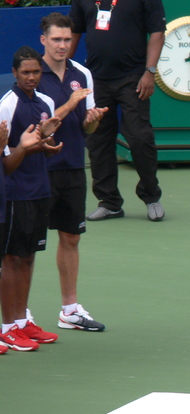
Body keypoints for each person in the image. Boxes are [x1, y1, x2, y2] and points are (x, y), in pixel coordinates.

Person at [38, 13, 108, 332]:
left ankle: (69, 310)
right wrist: (69, 103)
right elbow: (38, 127)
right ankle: (17, 317)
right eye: (56, 39)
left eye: (67, 39)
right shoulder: (31, 75)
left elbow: (87, 128)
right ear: (44, 40)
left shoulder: (83, 74)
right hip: (36, 172)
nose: (63, 45)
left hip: (72, 169)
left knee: (71, 237)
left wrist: (93, 117)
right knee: (22, 248)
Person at [68, 0, 166, 222]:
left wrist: (150, 72)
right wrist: (65, 71)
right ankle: (109, 202)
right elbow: (73, 32)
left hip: (134, 78)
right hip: (95, 79)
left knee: (140, 137)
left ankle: (151, 196)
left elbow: (157, 34)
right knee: (98, 140)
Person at [0, 46, 63, 352]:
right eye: (25, 72)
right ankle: (8, 326)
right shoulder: (6, 106)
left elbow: (32, 146)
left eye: (36, 72)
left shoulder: (47, 102)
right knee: (11, 258)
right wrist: (26, 146)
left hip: (40, 190)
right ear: (14, 73)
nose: (31, 77)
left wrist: (45, 144)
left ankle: (23, 321)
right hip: (15, 194)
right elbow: (5, 160)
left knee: (29, 256)